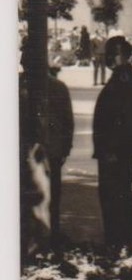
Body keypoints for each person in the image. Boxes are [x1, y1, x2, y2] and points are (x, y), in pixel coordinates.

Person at [93, 36, 132, 249]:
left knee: (114, 196)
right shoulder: (128, 77)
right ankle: (123, 240)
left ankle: (117, 241)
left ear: (116, 55)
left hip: (115, 151)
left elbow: (120, 117)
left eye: (108, 54)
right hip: (122, 149)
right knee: (121, 194)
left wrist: (111, 149)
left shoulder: (123, 78)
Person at [42, 64, 75, 246]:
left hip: (32, 150)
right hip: (53, 150)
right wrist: (65, 149)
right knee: (53, 194)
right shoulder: (58, 87)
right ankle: (52, 231)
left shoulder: (19, 85)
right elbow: (68, 122)